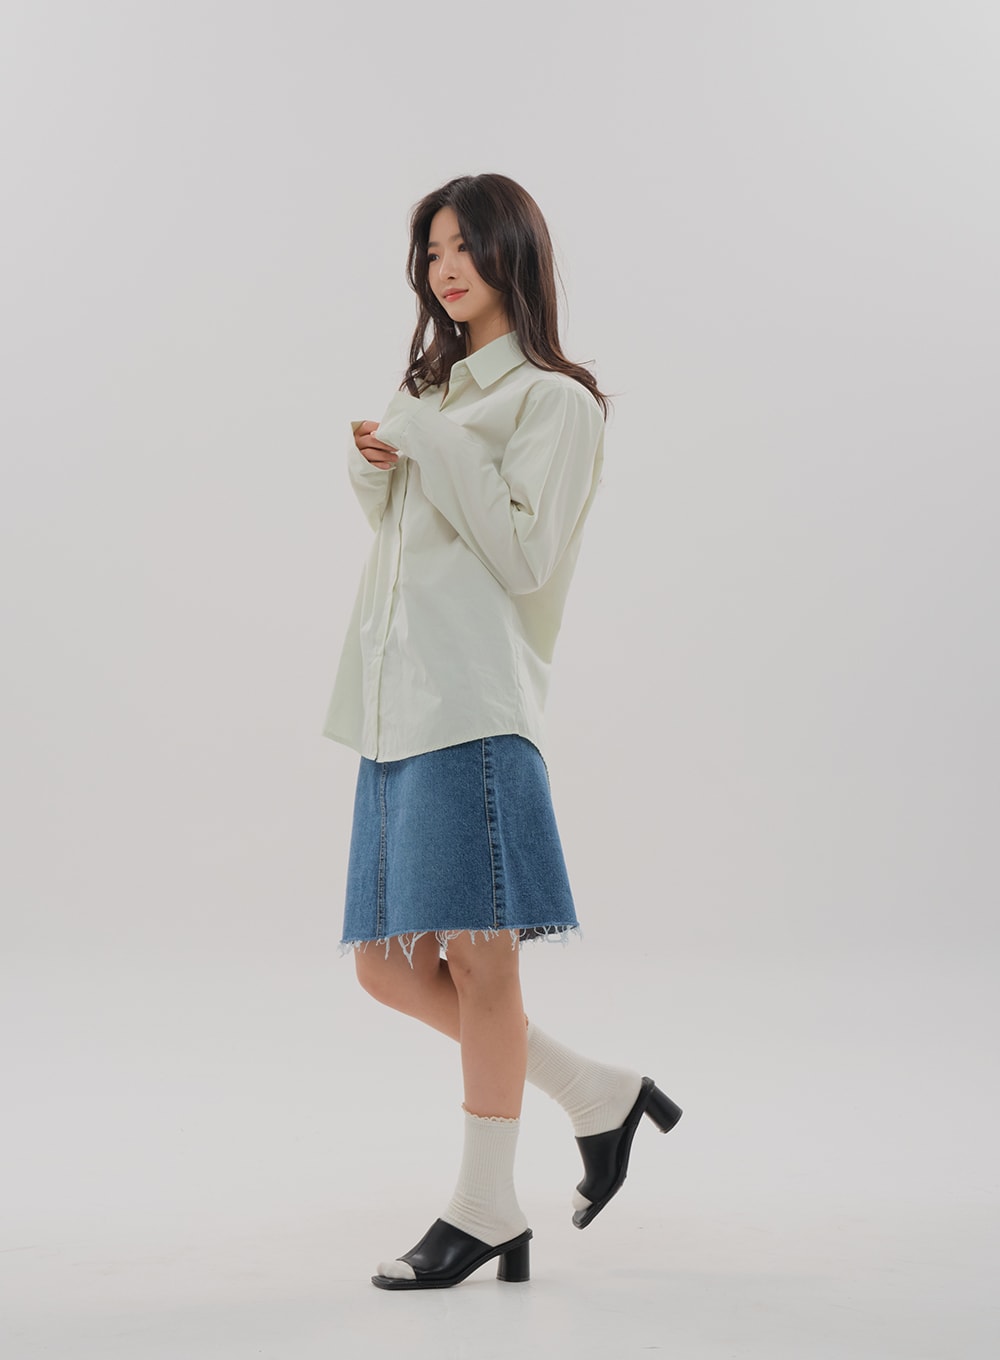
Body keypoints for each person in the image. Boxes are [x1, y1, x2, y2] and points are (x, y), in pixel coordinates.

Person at [321, 173, 682, 1291]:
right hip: (395, 708)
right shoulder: (433, 394)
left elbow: (523, 560)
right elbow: (412, 546)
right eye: (432, 250)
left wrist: (433, 442)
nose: (446, 268)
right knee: (386, 968)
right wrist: (378, 467)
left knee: (480, 965)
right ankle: (596, 1093)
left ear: (511, 252)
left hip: (472, 708)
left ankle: (484, 1207)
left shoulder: (554, 403)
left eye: (465, 245)